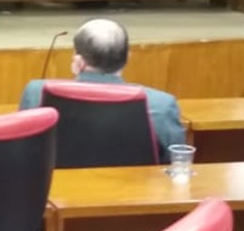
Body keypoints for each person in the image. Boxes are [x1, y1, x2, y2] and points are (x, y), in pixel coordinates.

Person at [18, 18, 185, 161]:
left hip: (57, 188)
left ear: (78, 61)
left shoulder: (37, 92)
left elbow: (24, 151)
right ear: (127, 58)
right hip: (135, 189)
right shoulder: (161, 104)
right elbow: (176, 163)